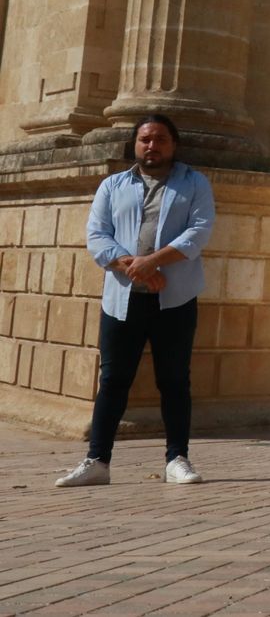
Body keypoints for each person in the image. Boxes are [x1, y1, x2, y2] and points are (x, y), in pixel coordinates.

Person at [57, 115, 215, 487]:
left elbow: (199, 231)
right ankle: (97, 461)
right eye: (145, 139)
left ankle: (177, 459)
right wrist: (137, 268)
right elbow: (98, 236)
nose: (152, 145)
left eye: (160, 139)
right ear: (135, 144)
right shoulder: (113, 185)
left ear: (174, 144)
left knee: (174, 380)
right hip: (123, 300)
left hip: (174, 299)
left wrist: (153, 261)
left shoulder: (194, 183)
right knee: (113, 380)